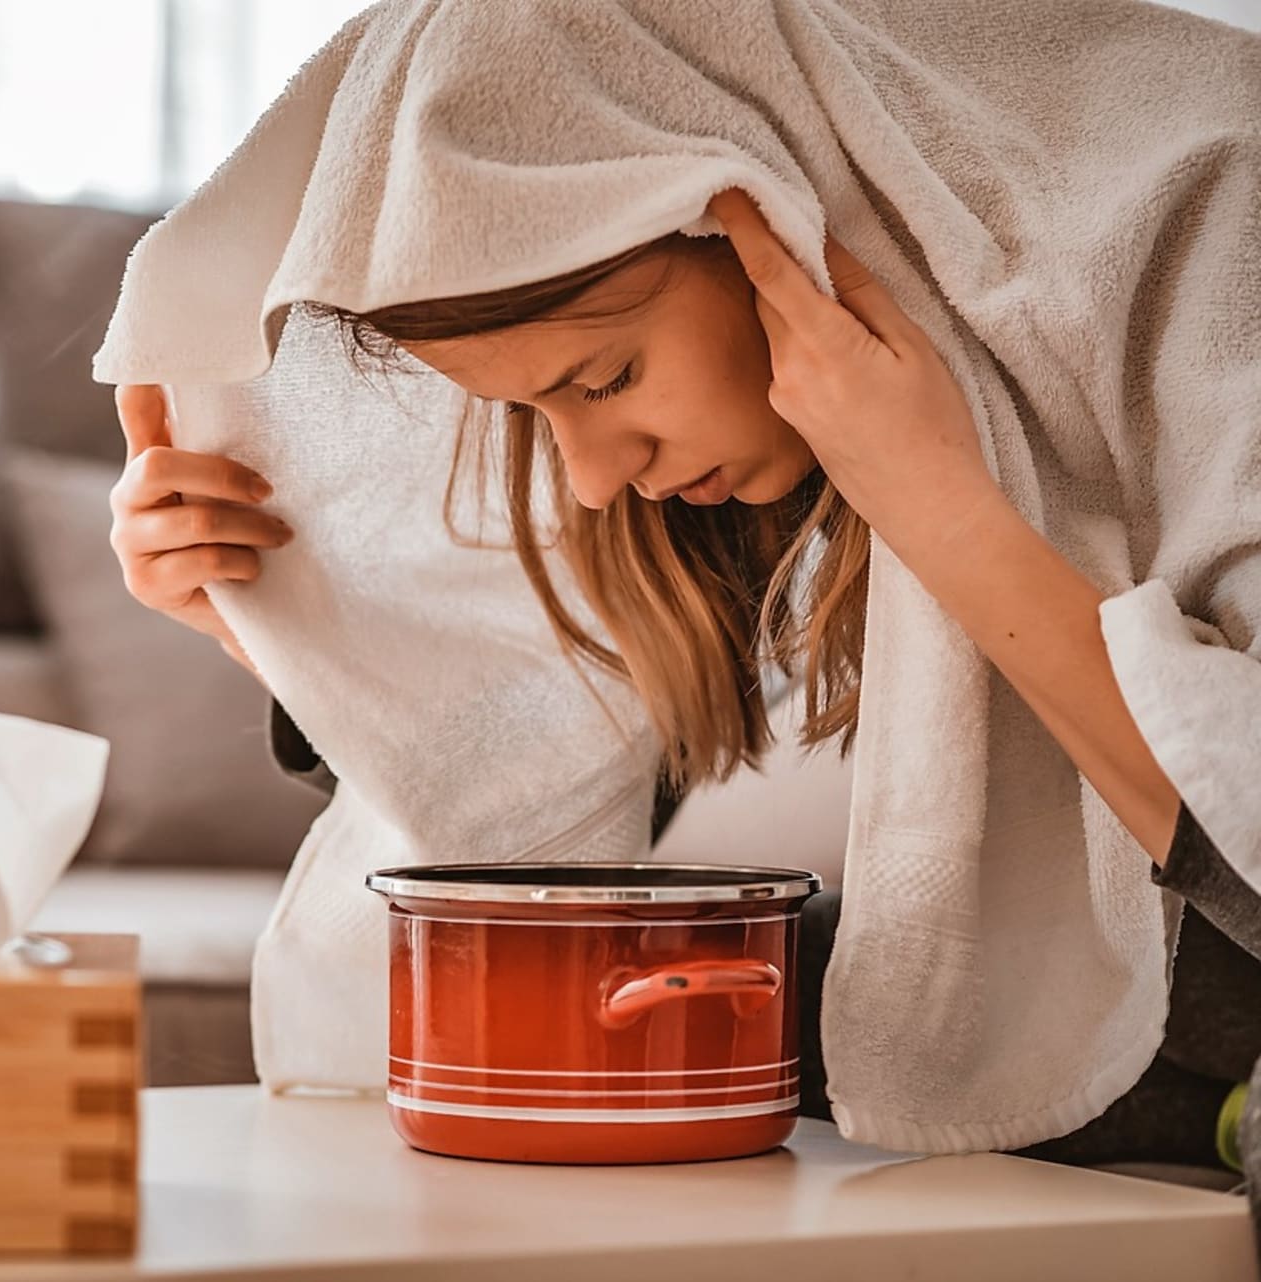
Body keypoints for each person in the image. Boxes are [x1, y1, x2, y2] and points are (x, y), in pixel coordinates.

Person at [107, 185, 1261, 1183]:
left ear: (763, 233)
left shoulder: (1163, 320)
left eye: (606, 378)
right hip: (1146, 1049)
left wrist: (934, 495)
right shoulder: (715, 496)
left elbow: (1240, 844)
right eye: (533, 409)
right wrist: (272, 631)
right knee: (721, 994)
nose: (596, 478)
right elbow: (539, 854)